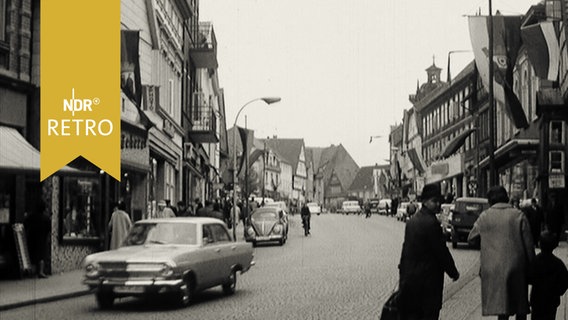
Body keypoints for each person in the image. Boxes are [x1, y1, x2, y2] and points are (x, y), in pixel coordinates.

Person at [468, 186, 535, 320]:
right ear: (506, 197)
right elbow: (529, 245)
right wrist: (532, 266)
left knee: (502, 307)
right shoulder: (518, 215)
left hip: (494, 268)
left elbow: (471, 237)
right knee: (520, 305)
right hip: (517, 267)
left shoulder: (484, 216)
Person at [398, 183, 459, 320]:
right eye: (434, 201)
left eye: (439, 201)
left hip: (410, 281)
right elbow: (441, 252)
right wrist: (453, 272)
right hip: (428, 282)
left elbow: (405, 251)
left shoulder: (412, 221)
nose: (438, 204)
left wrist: (403, 276)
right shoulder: (431, 223)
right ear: (424, 201)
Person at [529, 230, 568, 320]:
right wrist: (558, 291)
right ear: (554, 246)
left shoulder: (535, 261)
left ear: (539, 244)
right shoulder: (558, 263)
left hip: (537, 298)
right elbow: (565, 281)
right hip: (552, 300)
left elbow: (529, 277)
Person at [24, 201, 50, 278]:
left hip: (32, 238)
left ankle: (31, 272)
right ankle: (41, 272)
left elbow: (25, 224)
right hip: (42, 239)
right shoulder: (46, 218)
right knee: (41, 256)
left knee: (32, 255)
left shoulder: (31, 216)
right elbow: (48, 228)